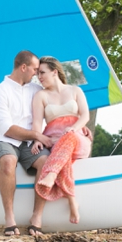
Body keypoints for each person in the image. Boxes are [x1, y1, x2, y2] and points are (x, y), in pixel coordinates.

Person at [0, 50, 53, 237]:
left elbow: (56, 106)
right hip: (4, 139)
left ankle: (36, 217)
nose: (37, 74)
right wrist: (36, 135)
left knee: (46, 163)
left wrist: (77, 126)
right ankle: (9, 218)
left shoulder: (36, 90)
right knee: (8, 161)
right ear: (23, 67)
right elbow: (7, 128)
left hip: (29, 143)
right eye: (34, 69)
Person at [30, 56, 92, 224]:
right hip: (53, 141)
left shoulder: (75, 91)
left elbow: (85, 115)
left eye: (42, 73)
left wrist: (75, 127)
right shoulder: (40, 96)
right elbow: (37, 122)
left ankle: (50, 174)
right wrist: (37, 139)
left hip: (76, 137)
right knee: (61, 151)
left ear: (54, 72)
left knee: (68, 138)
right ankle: (72, 201)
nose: (39, 77)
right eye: (37, 74)